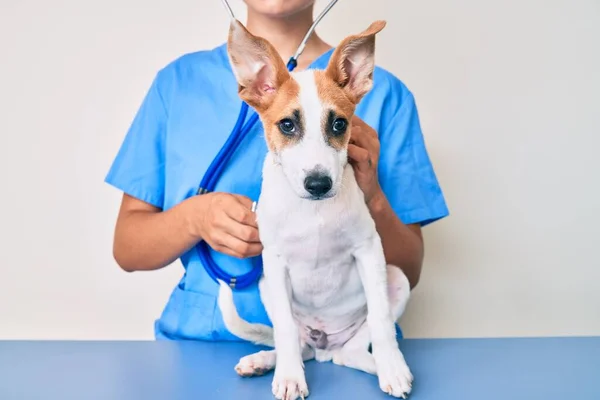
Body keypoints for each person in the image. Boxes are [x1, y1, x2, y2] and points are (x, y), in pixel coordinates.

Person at [105, 0, 449, 341]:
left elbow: (408, 269)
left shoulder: (383, 93)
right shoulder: (178, 84)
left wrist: (370, 195)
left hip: (347, 342)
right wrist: (194, 218)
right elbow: (127, 249)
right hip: (203, 342)